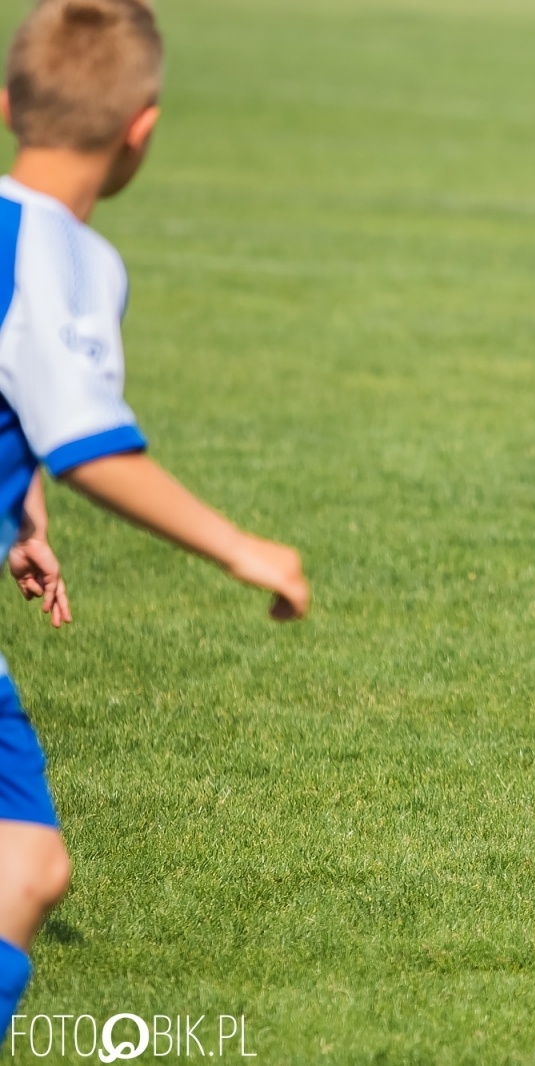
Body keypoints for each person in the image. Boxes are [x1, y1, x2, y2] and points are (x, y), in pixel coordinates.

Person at [0, 0, 310, 1019]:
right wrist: (243, 548)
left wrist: (20, 517)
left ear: (6, 106)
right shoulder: (61, 254)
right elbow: (86, 441)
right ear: (141, 131)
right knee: (24, 867)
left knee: (27, 863)